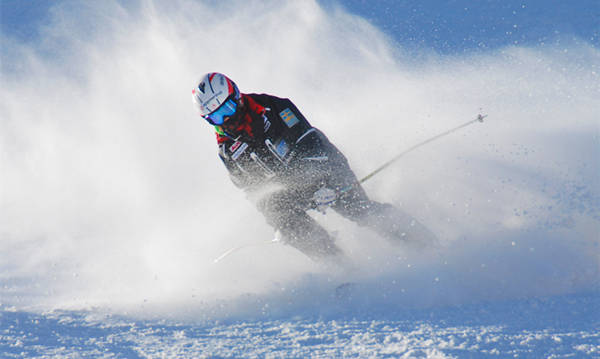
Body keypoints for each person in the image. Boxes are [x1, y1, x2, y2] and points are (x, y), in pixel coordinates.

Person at [192, 72, 434, 261]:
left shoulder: (275, 108)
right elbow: (253, 191)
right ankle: (342, 269)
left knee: (358, 210)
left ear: (237, 97)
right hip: (289, 188)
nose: (226, 120)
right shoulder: (227, 150)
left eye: (227, 109)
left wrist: (323, 182)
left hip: (324, 169)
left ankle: (423, 243)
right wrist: (279, 223)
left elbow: (311, 144)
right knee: (284, 219)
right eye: (216, 117)